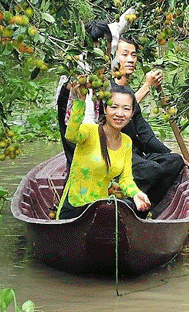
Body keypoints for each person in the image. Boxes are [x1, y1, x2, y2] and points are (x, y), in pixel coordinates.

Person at [110, 36, 189, 207]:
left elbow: (145, 135)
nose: (130, 60)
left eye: (133, 55)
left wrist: (171, 153)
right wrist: (147, 86)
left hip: (134, 155)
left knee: (174, 161)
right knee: (152, 170)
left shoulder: (128, 91)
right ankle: (127, 200)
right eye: (125, 54)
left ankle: (150, 204)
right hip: (114, 154)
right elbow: (120, 111)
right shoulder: (106, 89)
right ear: (112, 59)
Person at [55, 83, 151, 220]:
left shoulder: (126, 142)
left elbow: (125, 179)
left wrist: (136, 193)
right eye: (114, 107)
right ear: (105, 110)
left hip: (100, 209)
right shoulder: (89, 131)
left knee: (131, 205)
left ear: (132, 113)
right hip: (75, 208)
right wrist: (79, 102)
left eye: (126, 109)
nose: (120, 114)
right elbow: (71, 135)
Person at [56, 9, 134, 168]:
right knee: (76, 158)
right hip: (72, 100)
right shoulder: (84, 71)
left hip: (95, 95)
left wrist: (143, 3)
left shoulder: (110, 42)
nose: (99, 50)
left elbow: (122, 23)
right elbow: (88, 117)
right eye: (94, 46)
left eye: (103, 45)